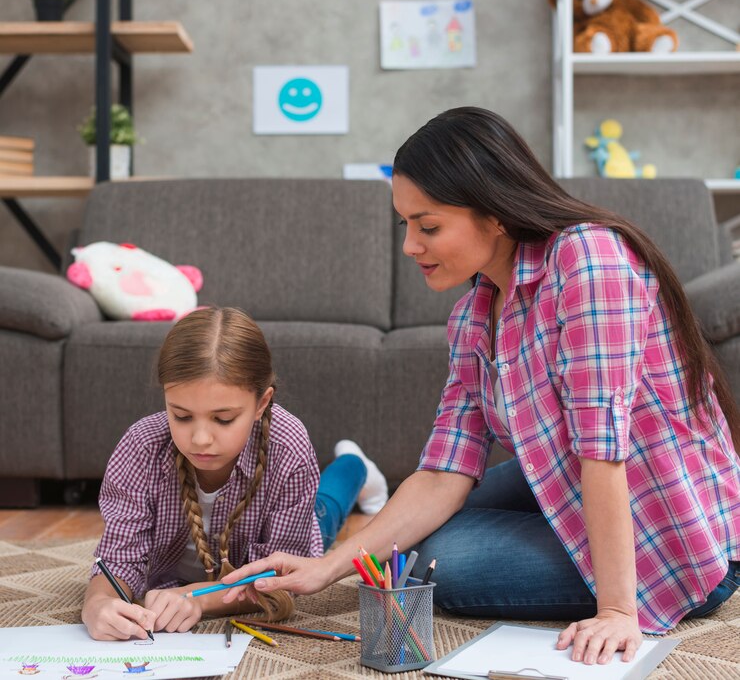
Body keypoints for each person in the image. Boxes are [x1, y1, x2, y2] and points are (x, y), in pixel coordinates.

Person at [222, 107, 740, 666]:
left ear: (495, 215)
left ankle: (607, 565)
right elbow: (445, 469)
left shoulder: (589, 260)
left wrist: (618, 610)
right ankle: (556, 531)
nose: (410, 247)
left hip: (672, 533)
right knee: (401, 547)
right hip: (563, 474)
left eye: (429, 226)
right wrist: (327, 566)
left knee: (441, 560)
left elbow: (603, 451)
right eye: (406, 226)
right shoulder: (473, 315)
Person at [81, 306, 387, 641]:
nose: (199, 439)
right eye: (181, 416)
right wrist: (98, 603)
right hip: (172, 582)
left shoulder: (288, 447)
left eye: (223, 419)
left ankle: (356, 465)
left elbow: (277, 579)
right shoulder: (141, 446)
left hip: (294, 536)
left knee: (326, 509)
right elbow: (118, 561)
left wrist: (199, 598)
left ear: (261, 404)